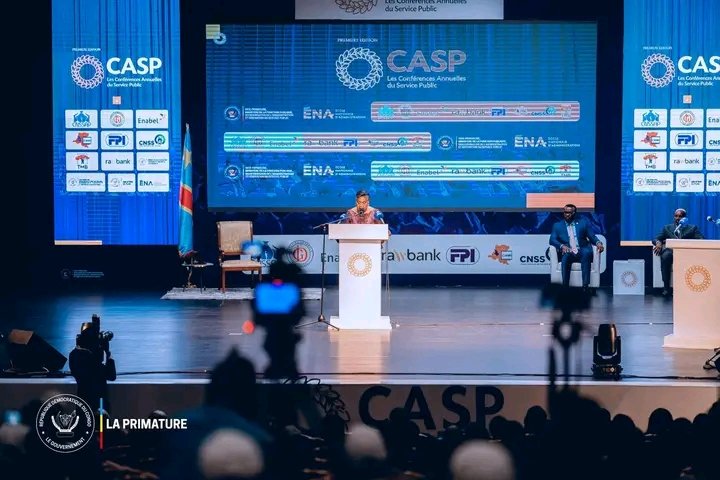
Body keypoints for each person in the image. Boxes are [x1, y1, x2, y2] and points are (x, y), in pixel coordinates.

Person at [549, 204, 605, 290]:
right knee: (565, 258)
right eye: (565, 212)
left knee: (586, 254)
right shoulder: (557, 225)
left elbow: (592, 237)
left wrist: (598, 243)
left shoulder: (583, 223)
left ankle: (585, 286)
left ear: (574, 213)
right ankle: (565, 287)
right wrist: (562, 246)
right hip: (569, 250)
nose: (566, 214)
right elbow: (552, 240)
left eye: (569, 212)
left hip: (582, 249)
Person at [69, 319, 116, 413]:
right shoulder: (93, 361)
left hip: (82, 404)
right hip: (99, 405)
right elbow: (111, 376)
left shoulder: (73, 355)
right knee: (101, 422)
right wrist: (107, 353)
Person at [653, 208, 703, 296]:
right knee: (665, 255)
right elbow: (657, 238)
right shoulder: (667, 228)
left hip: (686, 252)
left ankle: (687, 288)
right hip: (671, 251)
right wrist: (658, 242)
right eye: (676, 216)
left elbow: (701, 239)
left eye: (680, 216)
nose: (678, 218)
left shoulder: (692, 228)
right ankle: (666, 288)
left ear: (685, 218)